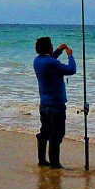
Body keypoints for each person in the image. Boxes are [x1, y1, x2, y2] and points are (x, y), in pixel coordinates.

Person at [33, 36, 76, 169]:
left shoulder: (38, 60)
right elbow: (71, 70)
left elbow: (50, 61)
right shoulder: (51, 63)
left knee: (44, 132)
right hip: (56, 106)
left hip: (44, 105)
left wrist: (58, 51)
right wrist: (70, 56)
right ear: (48, 48)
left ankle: (42, 160)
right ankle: (55, 163)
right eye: (51, 46)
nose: (52, 47)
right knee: (56, 135)